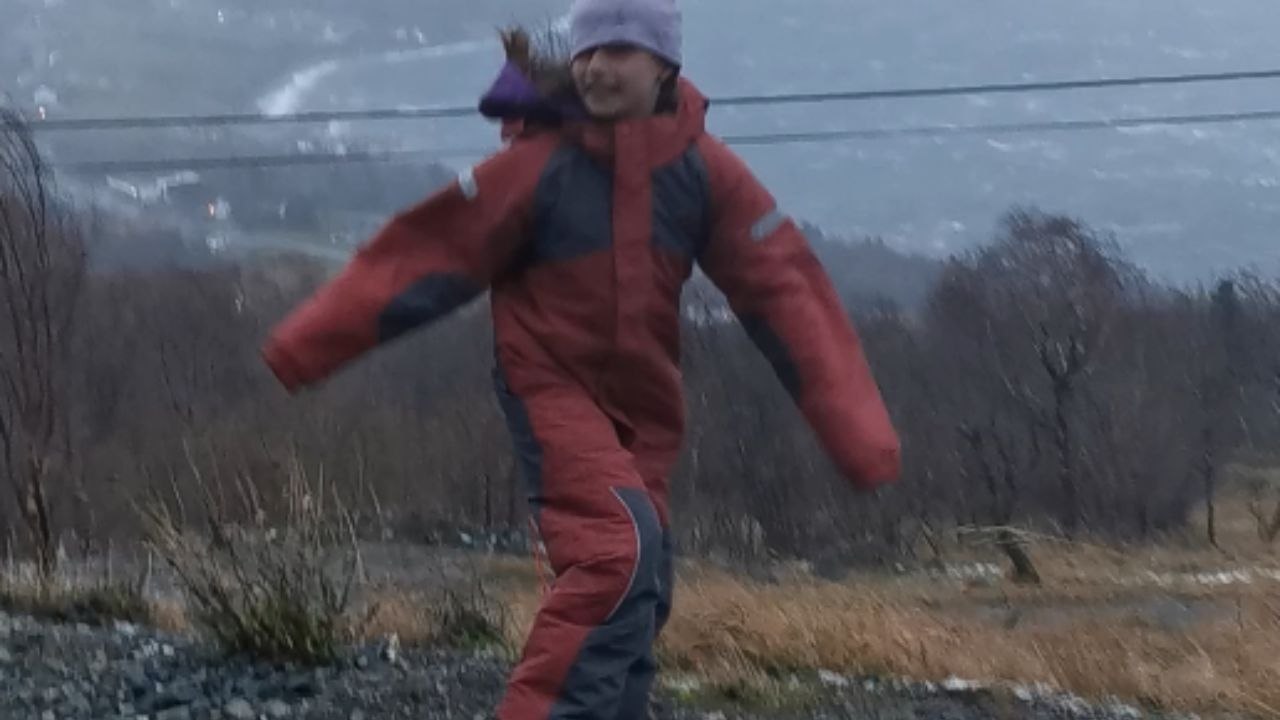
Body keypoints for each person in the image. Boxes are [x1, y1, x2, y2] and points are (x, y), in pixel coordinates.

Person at [260, 0, 902, 717]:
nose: (595, 66)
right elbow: (426, 251)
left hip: (646, 407)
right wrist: (305, 344)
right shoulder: (540, 167)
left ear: (665, 64)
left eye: (618, 50)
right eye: (586, 51)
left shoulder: (703, 172)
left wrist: (859, 434)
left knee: (643, 582)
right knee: (614, 554)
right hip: (548, 388)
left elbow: (784, 287)